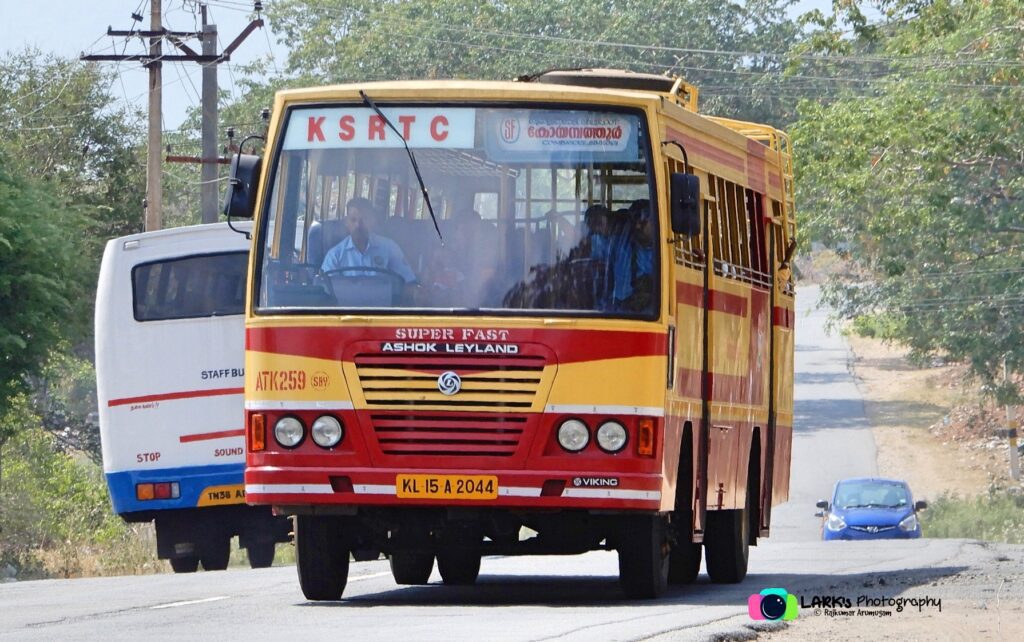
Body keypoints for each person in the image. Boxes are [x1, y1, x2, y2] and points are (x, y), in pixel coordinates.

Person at [320, 197, 417, 283]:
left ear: (373, 221)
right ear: (346, 222)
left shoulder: (390, 248)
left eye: (364, 219)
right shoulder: (335, 255)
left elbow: (408, 281)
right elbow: (325, 289)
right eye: (353, 220)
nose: (358, 225)